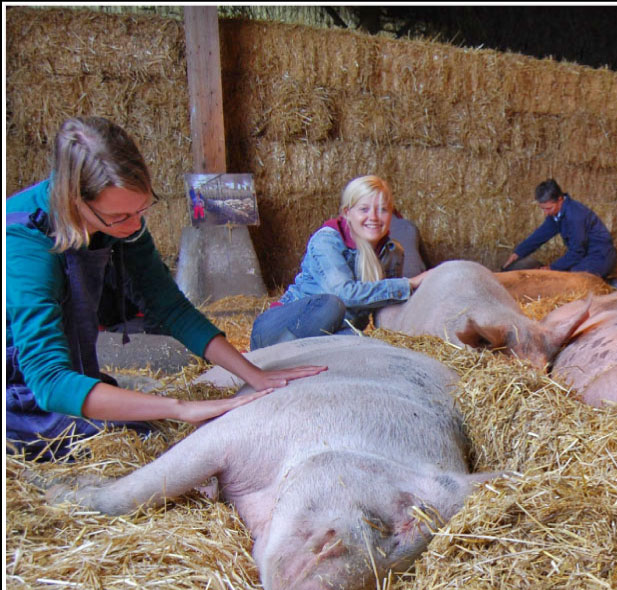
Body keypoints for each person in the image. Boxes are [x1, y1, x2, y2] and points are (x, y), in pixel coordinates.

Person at [5, 116, 325, 461]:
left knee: (143, 432)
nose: (133, 226)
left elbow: (170, 307)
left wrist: (254, 373)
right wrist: (180, 407)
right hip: (25, 389)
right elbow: (48, 380)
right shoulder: (25, 238)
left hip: (73, 375)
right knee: (121, 447)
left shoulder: (123, 223)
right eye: (119, 218)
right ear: (76, 201)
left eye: (140, 211)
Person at [250, 175, 426, 349]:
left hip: (336, 332)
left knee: (368, 345)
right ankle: (285, 353)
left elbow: (384, 308)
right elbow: (344, 295)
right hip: (279, 330)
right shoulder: (327, 241)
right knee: (332, 304)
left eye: (382, 210)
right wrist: (408, 284)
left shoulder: (393, 253)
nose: (373, 217)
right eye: (364, 209)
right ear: (347, 213)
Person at [502, 178, 616, 278]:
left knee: (570, 279)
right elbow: (540, 235)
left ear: (560, 199)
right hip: (585, 256)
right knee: (561, 274)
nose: (546, 213)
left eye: (548, 208)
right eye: (543, 209)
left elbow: (577, 251)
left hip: (600, 257)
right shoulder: (557, 214)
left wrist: (552, 267)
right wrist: (518, 252)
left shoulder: (575, 216)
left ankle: (608, 283)